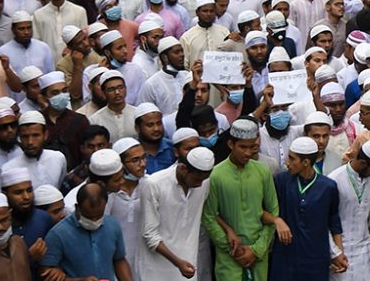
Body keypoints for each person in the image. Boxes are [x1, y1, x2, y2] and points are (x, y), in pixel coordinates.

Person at [203, 118, 278, 281]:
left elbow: (273, 212)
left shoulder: (263, 172)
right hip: (229, 258)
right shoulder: (216, 175)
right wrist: (232, 248)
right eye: (242, 147)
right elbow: (209, 217)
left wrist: (257, 249)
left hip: (258, 256)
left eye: (252, 147)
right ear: (231, 145)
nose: (247, 153)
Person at [269, 136, 346, 280]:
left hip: (315, 259)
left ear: (305, 162)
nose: (287, 162)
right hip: (286, 257)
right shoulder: (281, 181)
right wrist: (277, 220)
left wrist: (338, 252)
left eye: (292, 159)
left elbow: (334, 222)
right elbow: (265, 211)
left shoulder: (328, 186)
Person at [140, 146, 215, 280]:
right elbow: (150, 234)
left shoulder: (204, 183)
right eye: (197, 180)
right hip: (157, 269)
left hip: (189, 266)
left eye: (203, 180)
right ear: (183, 169)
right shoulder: (154, 184)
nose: (200, 185)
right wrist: (177, 262)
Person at [41, 183, 133, 281]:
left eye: (98, 216)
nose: (94, 220)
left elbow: (119, 259)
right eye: (88, 217)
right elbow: (45, 274)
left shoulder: (113, 225)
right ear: (77, 208)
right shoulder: (57, 234)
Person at [326, 138, 370, 281]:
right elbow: (325, 220)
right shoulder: (334, 180)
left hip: (364, 250)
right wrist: (333, 252)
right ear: (363, 163)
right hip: (340, 250)